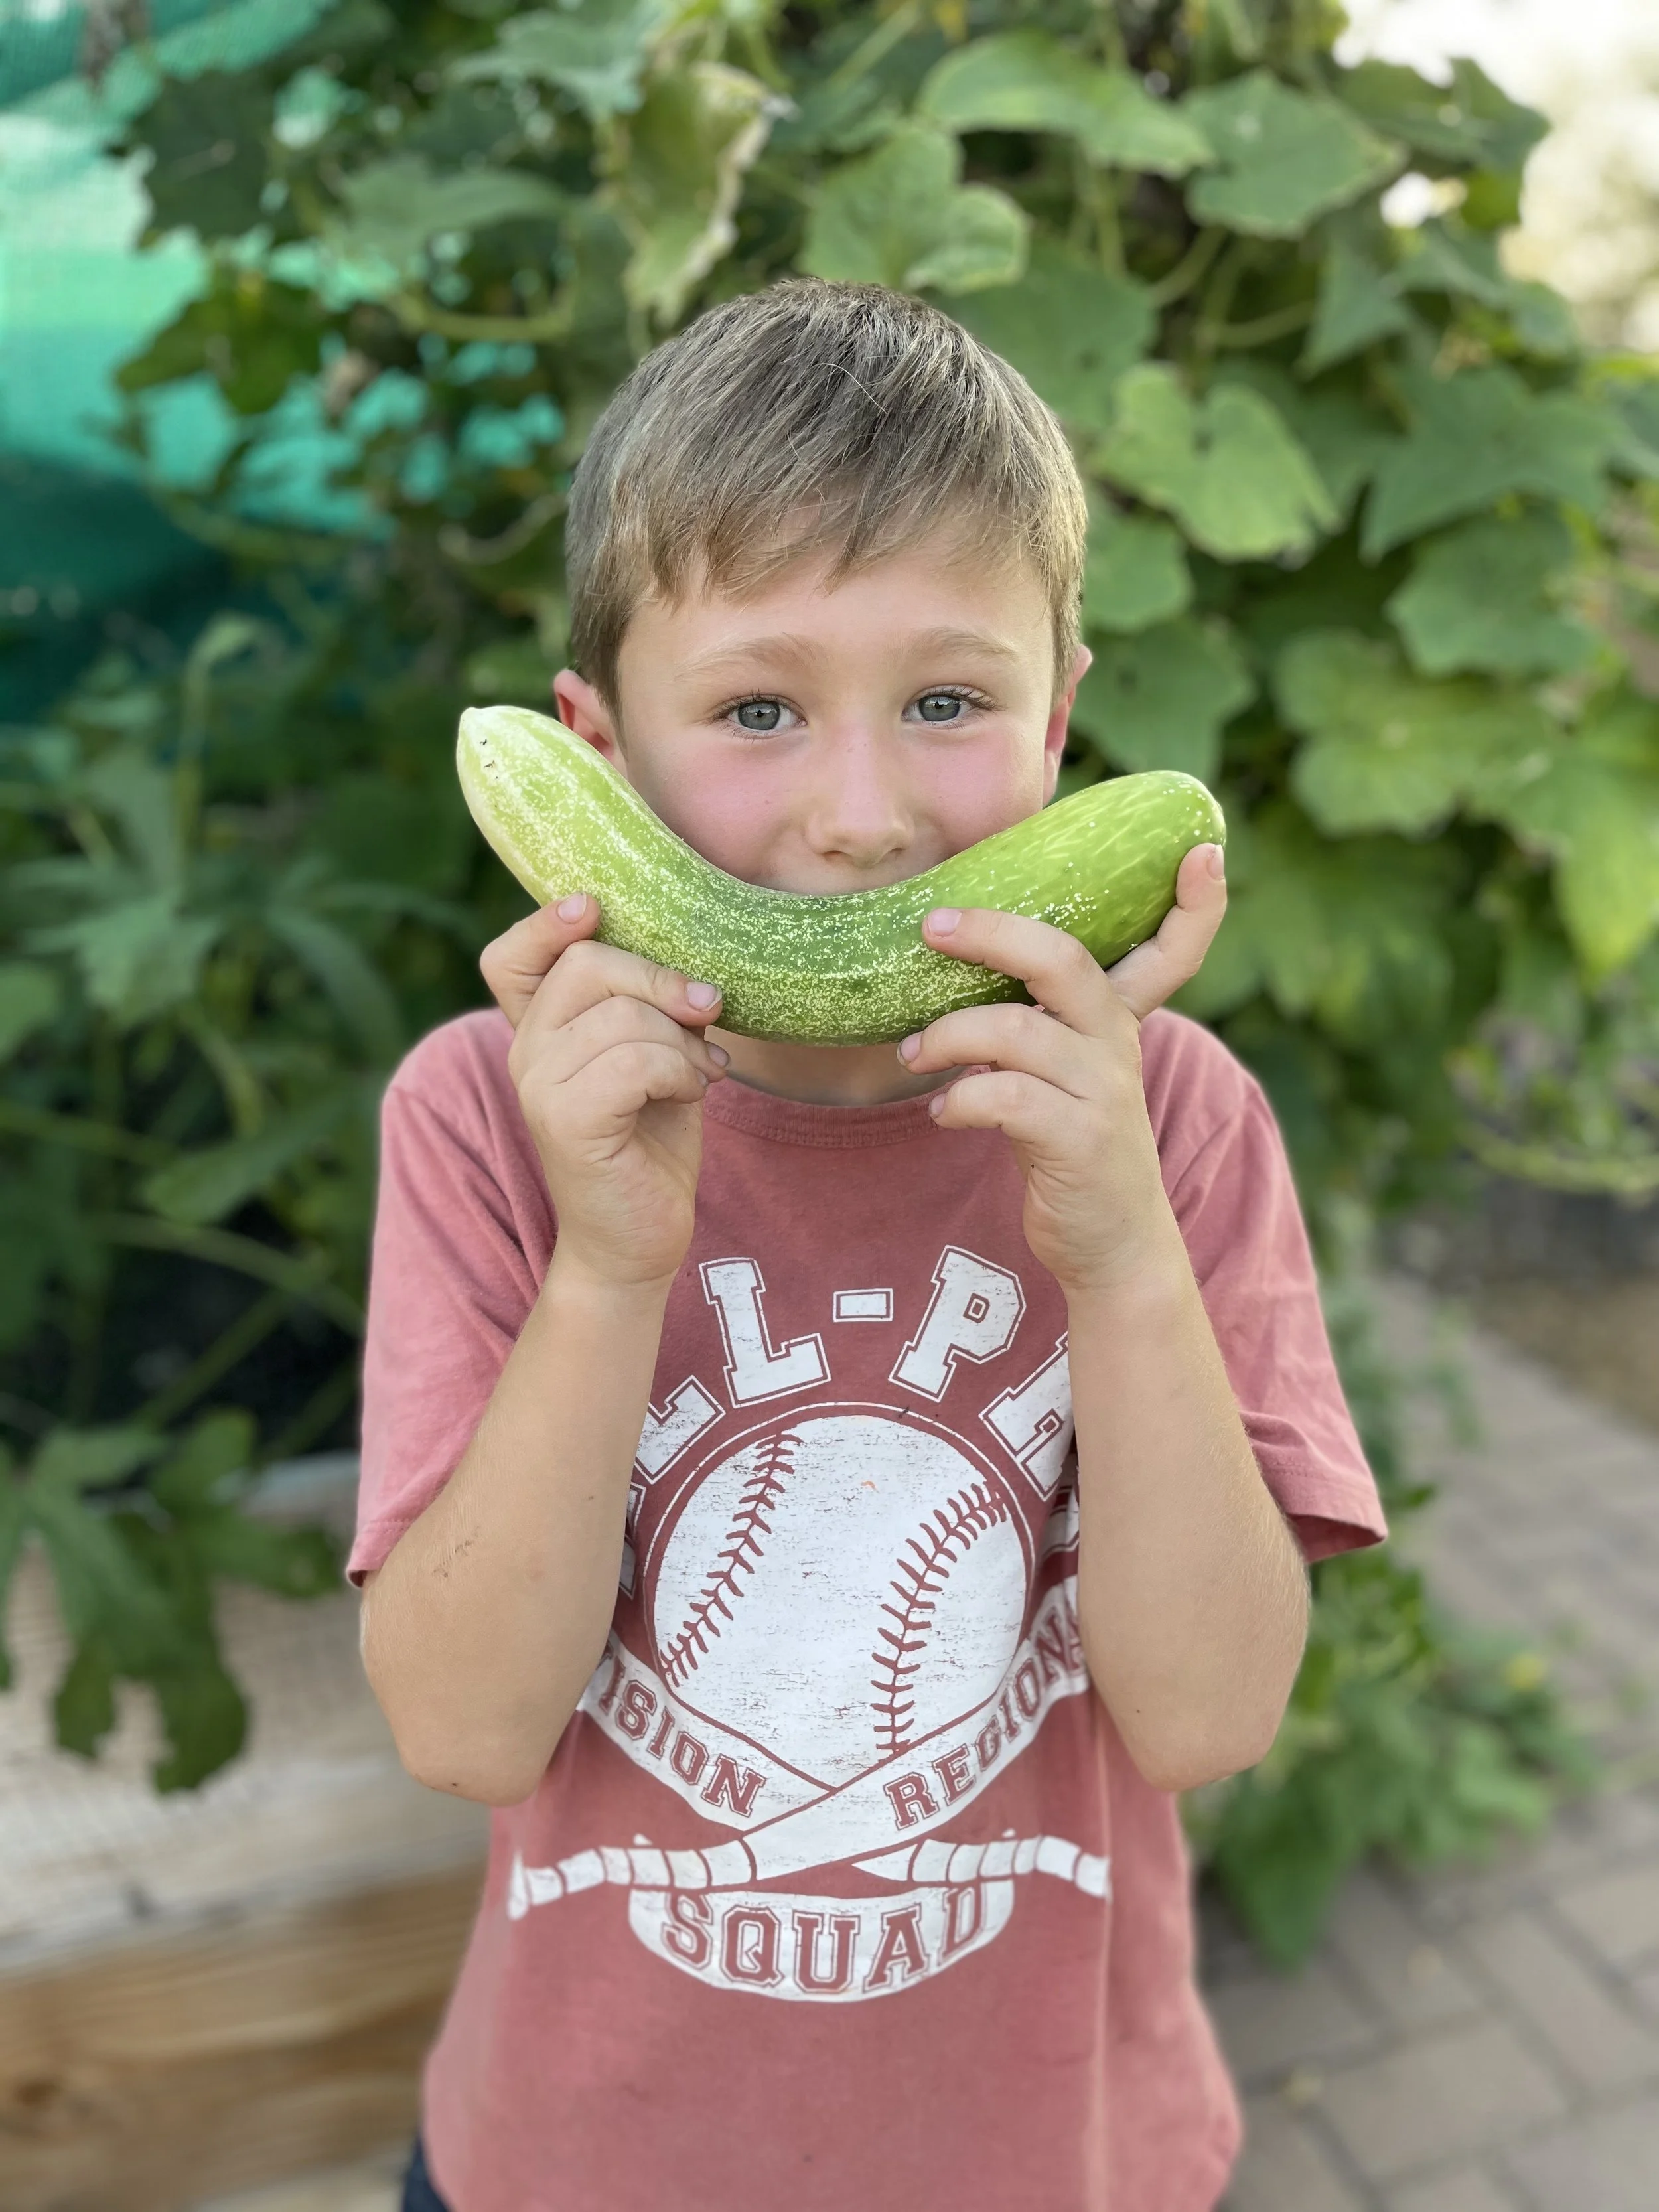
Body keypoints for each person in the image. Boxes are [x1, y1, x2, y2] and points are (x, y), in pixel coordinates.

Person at [351, 279, 1386, 2212]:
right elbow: (464, 1724)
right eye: (756, 708)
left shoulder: (1169, 1120)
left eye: (946, 700)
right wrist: (604, 1270)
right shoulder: (482, 1116)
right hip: (585, 2158)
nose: (860, 815)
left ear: (1056, 722)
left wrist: (1123, 1260)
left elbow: (1212, 1714)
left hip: (1052, 2157)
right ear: (595, 754)